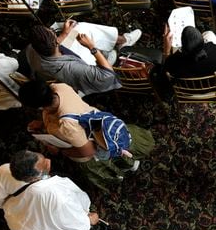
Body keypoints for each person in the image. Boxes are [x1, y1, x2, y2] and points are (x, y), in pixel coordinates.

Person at [19, 80, 155, 190]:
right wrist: (43, 124)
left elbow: (88, 151)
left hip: (94, 148)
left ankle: (119, 172)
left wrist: (60, 150)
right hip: (100, 124)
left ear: (38, 107)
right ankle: (129, 162)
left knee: (101, 158)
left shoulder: (65, 125)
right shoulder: (60, 87)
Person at [0, 150, 111, 230]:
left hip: (17, 219)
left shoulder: (4, 170)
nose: (48, 161)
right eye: (44, 164)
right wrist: (90, 220)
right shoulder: (58, 195)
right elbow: (78, 224)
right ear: (35, 176)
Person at [24, 21, 141, 97]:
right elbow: (107, 76)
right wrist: (92, 47)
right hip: (75, 78)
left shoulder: (31, 49)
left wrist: (65, 34)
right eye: (55, 33)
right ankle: (110, 51)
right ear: (55, 42)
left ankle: (121, 41)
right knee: (112, 55)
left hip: (62, 57)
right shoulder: (71, 69)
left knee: (79, 28)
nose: (56, 33)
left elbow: (52, 47)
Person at [163, 25, 216, 91]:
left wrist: (167, 50)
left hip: (189, 91)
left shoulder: (174, 61)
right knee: (209, 33)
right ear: (203, 42)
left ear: (183, 48)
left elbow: (165, 72)